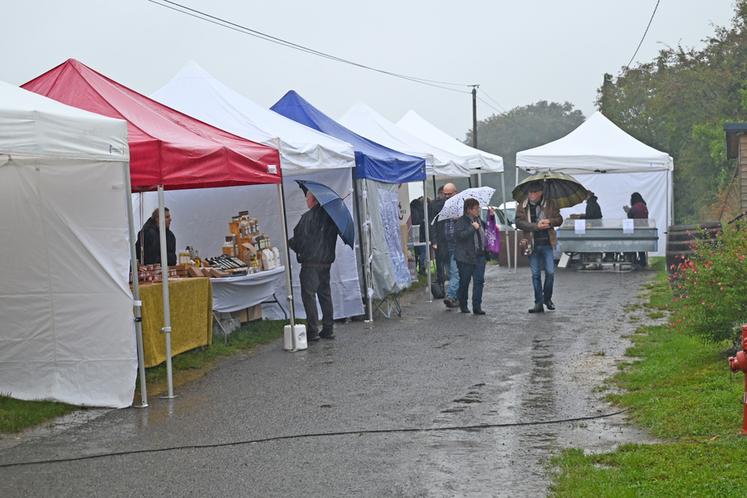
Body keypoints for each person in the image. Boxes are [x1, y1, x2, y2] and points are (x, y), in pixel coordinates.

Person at [288, 191, 339, 341]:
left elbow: (300, 241)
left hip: (311, 263)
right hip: (326, 263)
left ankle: (313, 331)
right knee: (325, 295)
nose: (306, 200)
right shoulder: (331, 219)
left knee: (309, 296)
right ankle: (328, 329)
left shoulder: (307, 218)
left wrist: (291, 243)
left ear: (313, 200)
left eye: (307, 198)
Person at [515, 182, 563, 313]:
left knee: (550, 272)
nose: (531, 195)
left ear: (541, 192)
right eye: (530, 193)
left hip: (547, 243)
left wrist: (550, 221)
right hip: (532, 244)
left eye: (534, 192)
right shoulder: (522, 205)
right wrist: (536, 226)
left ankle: (547, 298)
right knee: (535, 275)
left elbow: (559, 219)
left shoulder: (550, 204)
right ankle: (538, 303)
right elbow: (518, 222)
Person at [454, 198, 489, 315]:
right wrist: (472, 228)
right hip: (465, 257)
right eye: (475, 208)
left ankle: (477, 306)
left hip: (479, 255)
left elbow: (487, 229)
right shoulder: (461, 221)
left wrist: (491, 216)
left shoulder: (479, 219)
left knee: (479, 281)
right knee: (465, 281)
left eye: (478, 208)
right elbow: (460, 236)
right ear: (469, 210)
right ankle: (463, 304)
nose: (478, 210)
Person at [433, 183, 460, 308]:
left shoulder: (462, 205)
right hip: (445, 244)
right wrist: (434, 241)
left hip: (458, 244)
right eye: (446, 194)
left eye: (450, 194)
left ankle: (450, 296)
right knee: (450, 273)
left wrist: (458, 219)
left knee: (454, 272)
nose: (448, 196)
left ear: (456, 192)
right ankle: (458, 298)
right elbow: (434, 224)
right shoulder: (441, 206)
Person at [624, 192, 649, 268]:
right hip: (644, 229)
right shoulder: (644, 206)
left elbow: (630, 218)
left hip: (636, 230)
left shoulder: (634, 207)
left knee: (634, 245)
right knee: (641, 247)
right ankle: (642, 261)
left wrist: (628, 211)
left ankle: (634, 261)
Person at [409, 196, 427, 276]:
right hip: (422, 235)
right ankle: (422, 268)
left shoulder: (410, 211)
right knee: (423, 253)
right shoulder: (421, 211)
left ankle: (414, 270)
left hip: (412, 235)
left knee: (414, 253)